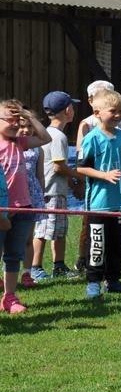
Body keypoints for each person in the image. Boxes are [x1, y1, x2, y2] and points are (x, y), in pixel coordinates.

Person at [75, 90, 121, 299]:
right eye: (113, 111)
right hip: (98, 203)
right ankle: (93, 282)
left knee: (116, 244)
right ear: (97, 113)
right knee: (97, 244)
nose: (118, 115)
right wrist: (104, 175)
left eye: (120, 111)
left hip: (119, 203)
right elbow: (81, 168)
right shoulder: (91, 139)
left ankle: (113, 280)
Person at [0, 99, 51, 313]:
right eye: (9, 119)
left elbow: (45, 137)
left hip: (23, 206)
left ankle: (9, 297)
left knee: (14, 254)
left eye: (17, 119)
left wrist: (27, 116)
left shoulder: (20, 142)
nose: (15, 123)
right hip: (2, 209)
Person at [32, 91, 83, 281]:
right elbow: (58, 167)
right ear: (67, 110)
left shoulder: (49, 133)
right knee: (44, 231)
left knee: (59, 230)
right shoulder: (58, 136)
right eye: (72, 106)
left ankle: (59, 265)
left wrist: (72, 184)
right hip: (50, 192)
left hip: (57, 191)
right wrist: (82, 177)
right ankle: (35, 268)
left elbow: (60, 167)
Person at [74, 80, 121, 273]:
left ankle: (113, 275)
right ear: (92, 103)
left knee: (115, 235)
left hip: (117, 192)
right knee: (92, 227)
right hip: (97, 190)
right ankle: (86, 263)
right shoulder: (87, 126)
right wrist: (101, 174)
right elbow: (82, 158)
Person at [18, 110, 46, 288]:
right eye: (22, 126)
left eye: (30, 126)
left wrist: (41, 195)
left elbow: (40, 175)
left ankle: (26, 273)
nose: (26, 130)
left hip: (32, 196)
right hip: (12, 197)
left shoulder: (37, 148)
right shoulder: (10, 145)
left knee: (29, 238)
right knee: (4, 239)